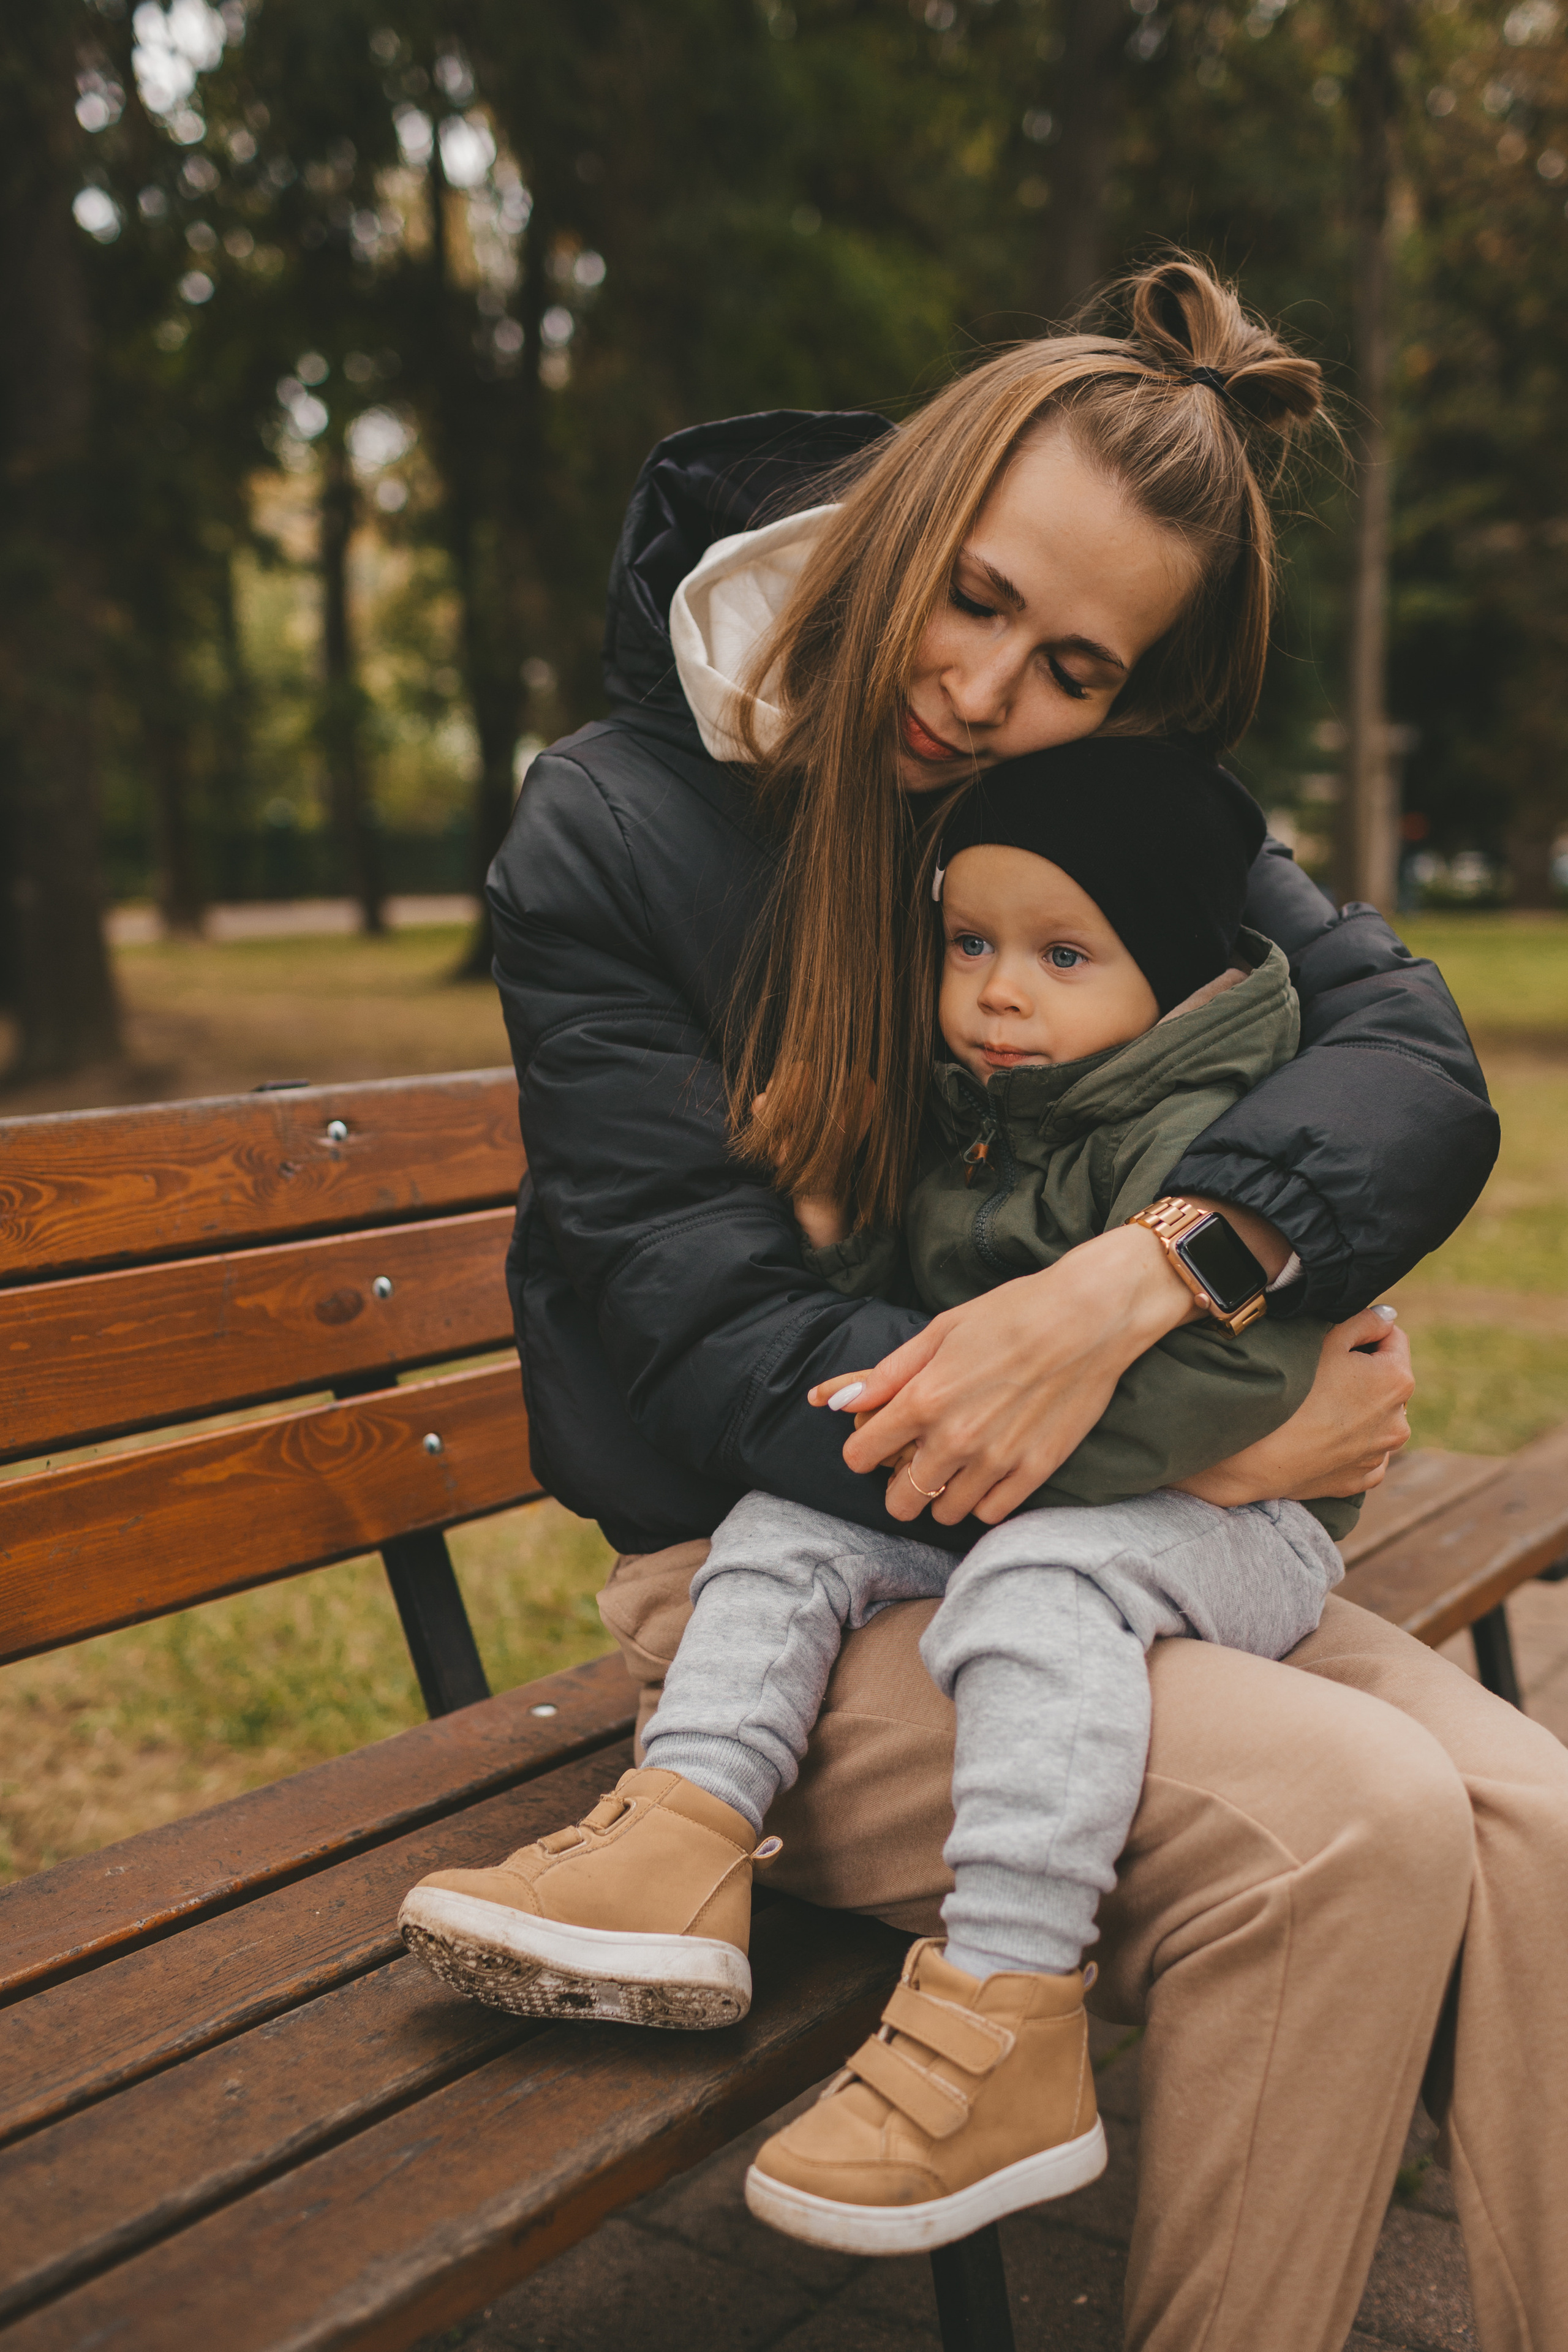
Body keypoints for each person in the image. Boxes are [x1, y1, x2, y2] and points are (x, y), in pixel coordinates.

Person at [402, 259, 1568, 2350]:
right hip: (781, 1596)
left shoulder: (1066, 804)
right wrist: (1213, 1424)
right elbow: (718, 1357)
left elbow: (1406, 1050)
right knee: (1347, 1828)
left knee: (1543, 1825)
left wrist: (1158, 1270)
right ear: (912, 506)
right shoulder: (615, 831)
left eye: (1072, 667)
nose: (982, 689)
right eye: (977, 596)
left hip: (1093, 1549)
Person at [402, 736, 1357, 2257]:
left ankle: (1009, 2005)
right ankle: (683, 1834)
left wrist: (957, 1426)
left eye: (1060, 955)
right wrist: (839, 1235)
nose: (996, 993)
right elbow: (920, 1311)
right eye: (968, 944)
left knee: (1034, 1591)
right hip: (1064, 1497)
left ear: (1178, 981)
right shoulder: (986, 1100)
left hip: (1241, 1526)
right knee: (786, 1523)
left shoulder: (1209, 1128)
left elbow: (1237, 1381)